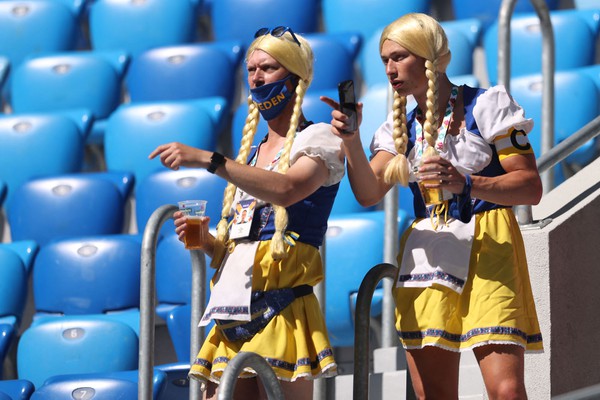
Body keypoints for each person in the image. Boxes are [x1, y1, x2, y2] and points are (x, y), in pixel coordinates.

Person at [322, 13, 543, 399]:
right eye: (385, 60)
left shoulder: (487, 104)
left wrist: (468, 182)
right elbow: (369, 193)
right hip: (429, 246)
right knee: (433, 395)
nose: (390, 69)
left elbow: (530, 186)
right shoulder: (396, 128)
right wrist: (352, 142)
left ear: (428, 57)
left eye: (399, 57)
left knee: (506, 390)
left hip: (489, 241)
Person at [149, 26, 343, 400]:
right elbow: (233, 247)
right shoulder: (250, 158)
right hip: (233, 307)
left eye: (268, 68)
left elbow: (288, 189)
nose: (257, 77)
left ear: (294, 76)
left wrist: (208, 158)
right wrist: (206, 241)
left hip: (283, 305)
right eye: (251, 70)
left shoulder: (319, 138)